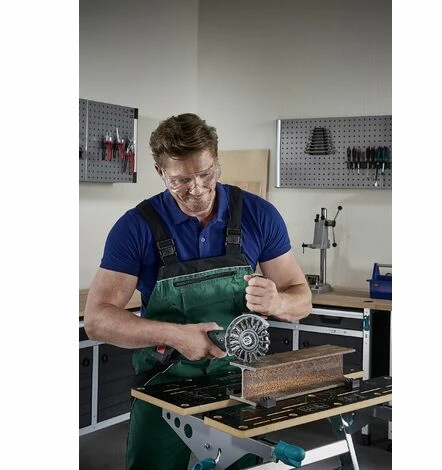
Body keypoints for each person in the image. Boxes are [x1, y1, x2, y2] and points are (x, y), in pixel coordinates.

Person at [84, 113, 312, 470]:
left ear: (216, 161)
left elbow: (302, 299)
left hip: (239, 379)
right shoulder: (136, 227)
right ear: (160, 172)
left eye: (206, 173)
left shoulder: (258, 215)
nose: (197, 188)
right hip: (163, 382)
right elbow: (97, 320)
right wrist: (175, 335)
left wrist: (279, 301)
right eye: (181, 180)